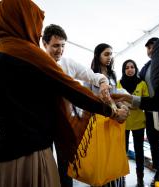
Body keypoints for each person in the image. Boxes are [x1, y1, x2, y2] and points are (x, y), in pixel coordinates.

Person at [0, 0, 129, 187]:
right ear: (21, 19)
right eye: (34, 20)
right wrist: (111, 111)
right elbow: (73, 89)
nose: (38, 31)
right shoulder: (28, 53)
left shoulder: (1, 55)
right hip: (30, 155)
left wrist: (102, 82)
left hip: (6, 156)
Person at [42, 24, 112, 187]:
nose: (60, 50)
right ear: (44, 44)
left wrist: (102, 83)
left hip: (65, 124)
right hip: (42, 124)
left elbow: (94, 76)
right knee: (45, 166)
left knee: (66, 168)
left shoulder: (68, 63)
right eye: (55, 46)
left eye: (62, 46)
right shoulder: (36, 63)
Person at [86, 43, 127, 187]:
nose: (110, 57)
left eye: (111, 54)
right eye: (106, 54)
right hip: (98, 121)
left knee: (114, 156)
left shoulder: (113, 74)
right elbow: (87, 99)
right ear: (98, 56)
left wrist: (122, 106)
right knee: (101, 157)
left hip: (114, 121)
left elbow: (116, 96)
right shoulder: (90, 75)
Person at [140, 37, 159, 186]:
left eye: (153, 46)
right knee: (153, 141)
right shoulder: (144, 68)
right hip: (150, 110)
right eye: (148, 48)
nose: (150, 50)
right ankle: (158, 167)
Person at [119, 59, 149, 187]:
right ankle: (121, 173)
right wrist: (126, 103)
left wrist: (133, 103)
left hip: (138, 122)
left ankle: (140, 175)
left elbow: (146, 100)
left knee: (139, 150)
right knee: (122, 149)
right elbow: (117, 99)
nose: (130, 69)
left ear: (136, 69)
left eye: (132, 67)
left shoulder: (142, 83)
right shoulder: (119, 83)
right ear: (124, 70)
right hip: (123, 121)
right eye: (127, 67)